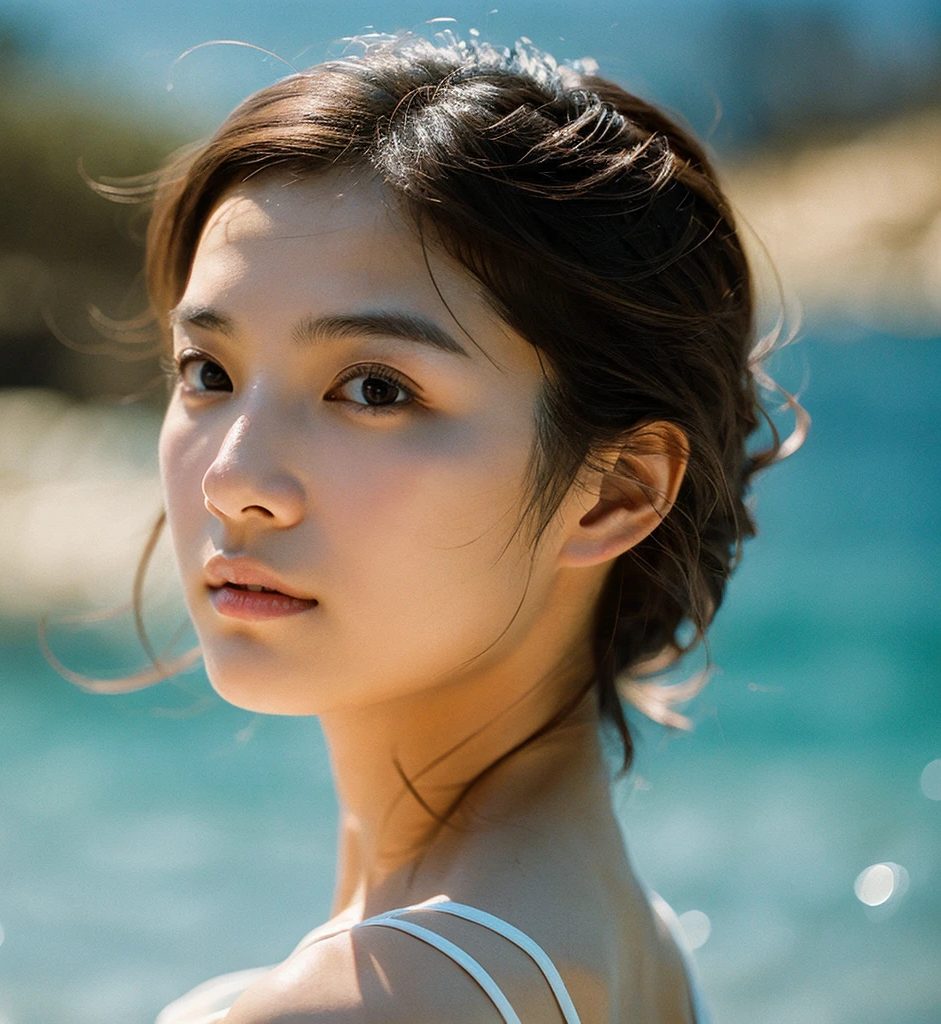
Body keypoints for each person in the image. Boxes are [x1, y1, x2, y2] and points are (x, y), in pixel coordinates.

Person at [66, 30, 806, 1024]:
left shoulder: (364, 1004)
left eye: (374, 389)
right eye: (208, 372)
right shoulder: (624, 942)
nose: (234, 480)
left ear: (616, 491)